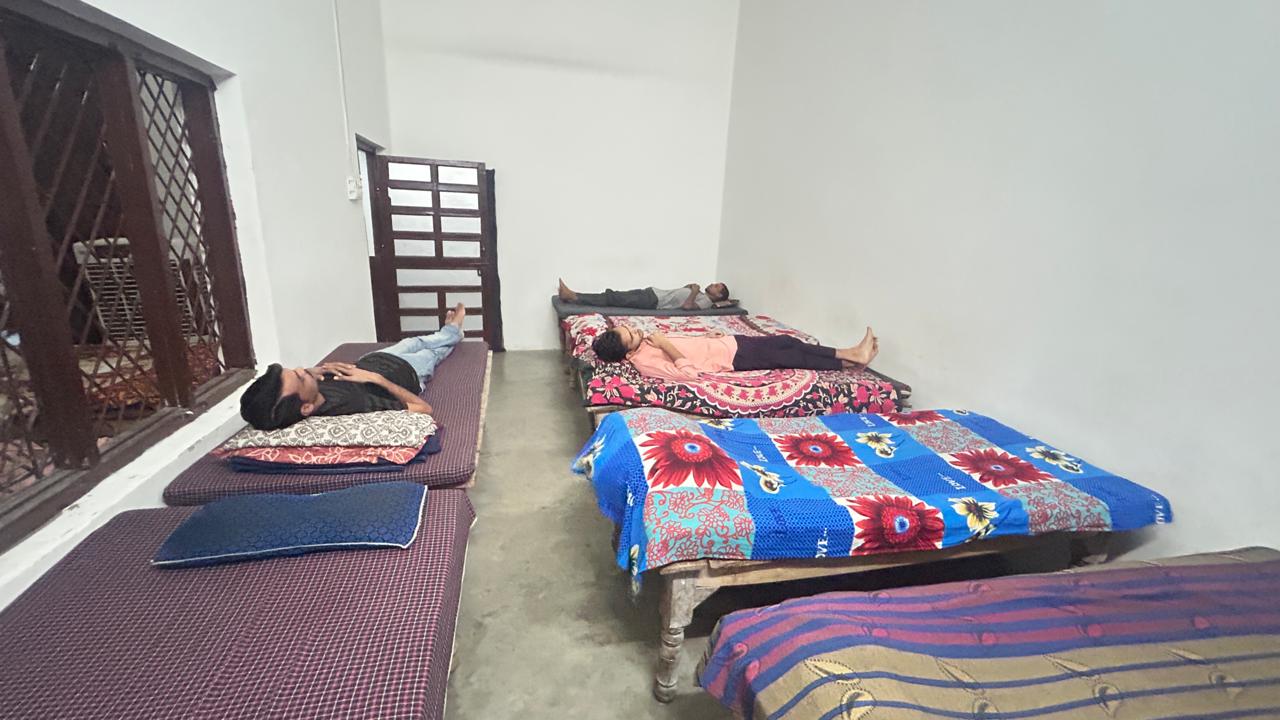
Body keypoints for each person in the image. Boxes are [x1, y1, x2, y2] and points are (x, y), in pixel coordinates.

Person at [239, 303, 469, 430]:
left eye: (296, 370)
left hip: (375, 359)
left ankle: (449, 332)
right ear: (306, 408)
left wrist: (314, 372)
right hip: (408, 372)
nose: (302, 369)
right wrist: (376, 379)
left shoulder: (309, 393)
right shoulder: (353, 404)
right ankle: (452, 331)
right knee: (432, 352)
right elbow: (424, 409)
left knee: (414, 341)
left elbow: (301, 382)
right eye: (300, 378)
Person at [590, 324, 879, 382]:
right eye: (632, 335)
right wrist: (665, 345)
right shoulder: (645, 362)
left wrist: (708, 337)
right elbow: (689, 374)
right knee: (790, 354)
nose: (636, 330)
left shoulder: (646, 343)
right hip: (732, 358)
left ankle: (850, 357)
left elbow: (686, 345)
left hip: (727, 343)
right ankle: (852, 355)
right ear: (626, 354)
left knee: (786, 342)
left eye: (631, 329)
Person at [558, 278, 731, 311]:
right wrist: (690, 288)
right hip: (652, 294)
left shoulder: (706, 302)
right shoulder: (700, 294)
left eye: (717, 286)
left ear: (718, 296)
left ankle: (573, 296)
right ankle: (573, 295)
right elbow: (680, 295)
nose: (713, 284)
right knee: (614, 296)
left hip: (653, 301)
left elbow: (687, 306)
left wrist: (693, 291)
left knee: (612, 298)